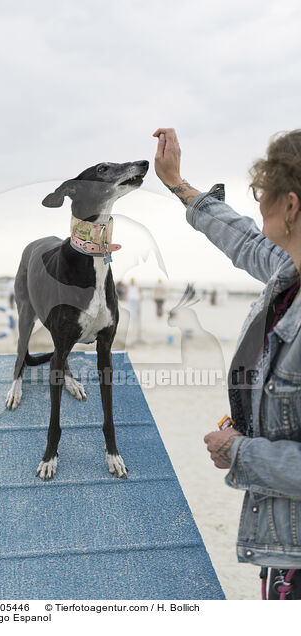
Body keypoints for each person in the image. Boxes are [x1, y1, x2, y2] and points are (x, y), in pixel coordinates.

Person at [154, 127, 301, 599]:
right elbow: (243, 241)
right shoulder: (288, 272)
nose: (257, 207)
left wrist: (240, 453)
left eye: (262, 195)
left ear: (291, 206)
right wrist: (179, 185)